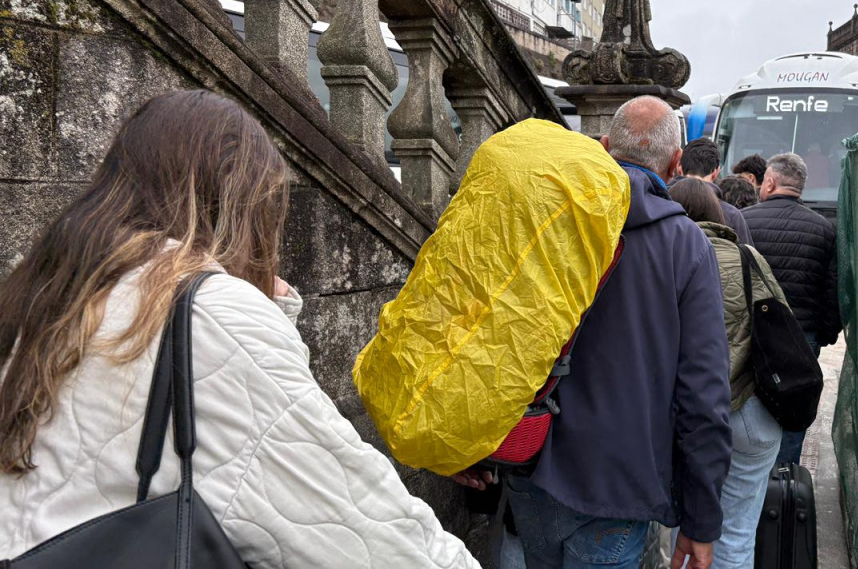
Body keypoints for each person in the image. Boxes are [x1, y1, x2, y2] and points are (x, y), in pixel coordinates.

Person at [0, 91, 479, 568]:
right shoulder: (208, 312)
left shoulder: (51, 283)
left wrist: (270, 316)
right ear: (244, 209)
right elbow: (364, 531)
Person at [495, 96, 731, 569]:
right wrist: (702, 518)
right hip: (623, 482)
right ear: (676, 163)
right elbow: (704, 396)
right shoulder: (687, 247)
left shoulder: (546, 217)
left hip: (531, 460)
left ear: (603, 147)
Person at [667, 179, 786, 569]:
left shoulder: (664, 255)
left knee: (683, 528)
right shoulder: (747, 256)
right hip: (751, 412)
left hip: (690, 416)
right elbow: (780, 322)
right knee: (735, 535)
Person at [740, 153, 840, 466]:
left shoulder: (745, 220)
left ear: (768, 182)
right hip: (802, 337)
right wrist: (822, 335)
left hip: (753, 336)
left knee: (751, 405)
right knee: (795, 406)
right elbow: (833, 291)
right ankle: (784, 484)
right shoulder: (824, 228)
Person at [676, 138, 754, 245]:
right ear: (716, 172)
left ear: (679, 168)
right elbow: (745, 257)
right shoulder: (732, 214)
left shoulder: (661, 203)